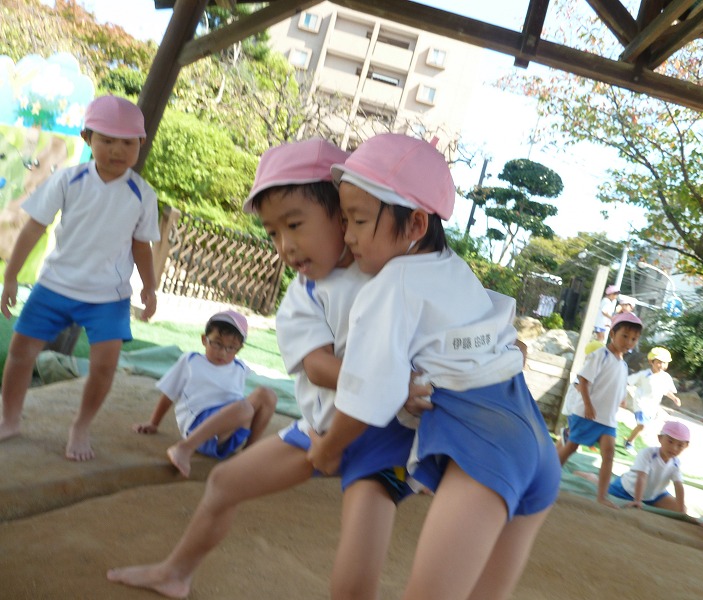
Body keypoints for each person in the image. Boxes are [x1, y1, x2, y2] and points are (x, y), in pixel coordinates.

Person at [107, 138, 421, 600]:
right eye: (273, 233)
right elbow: (317, 367)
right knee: (224, 482)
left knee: (358, 556)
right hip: (321, 428)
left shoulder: (396, 268)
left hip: (387, 438)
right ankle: (175, 573)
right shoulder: (303, 297)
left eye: (294, 225)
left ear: (346, 212)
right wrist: (392, 383)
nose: (285, 246)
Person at [307, 133, 561, 600]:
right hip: (536, 446)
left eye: (359, 220)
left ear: (416, 223)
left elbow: (367, 395)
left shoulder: (390, 286)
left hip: (486, 453)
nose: (348, 235)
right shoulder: (456, 270)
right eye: (345, 221)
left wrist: (327, 449)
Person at [0, 95, 159, 461]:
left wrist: (150, 288)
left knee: (105, 367)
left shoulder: (143, 194)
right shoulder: (68, 179)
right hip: (54, 286)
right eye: (107, 140)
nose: (117, 150)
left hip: (108, 297)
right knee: (21, 352)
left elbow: (142, 247)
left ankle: (81, 425)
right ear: (88, 138)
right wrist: (10, 277)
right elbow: (33, 228)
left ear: (140, 143)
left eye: (127, 142)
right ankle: (9, 418)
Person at [133, 310, 277, 477]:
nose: (222, 352)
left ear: (239, 349)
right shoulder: (191, 361)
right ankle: (184, 447)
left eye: (231, 348)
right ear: (204, 339)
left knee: (267, 395)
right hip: (198, 428)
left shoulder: (240, 368)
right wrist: (153, 423)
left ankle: (248, 452)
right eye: (217, 344)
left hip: (229, 432)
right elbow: (169, 393)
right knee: (244, 408)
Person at [558, 311, 643, 508]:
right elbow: (583, 380)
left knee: (609, 454)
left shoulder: (623, 365)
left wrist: (621, 399)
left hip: (607, 419)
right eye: (625, 336)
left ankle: (602, 496)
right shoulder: (600, 355)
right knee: (571, 447)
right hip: (586, 414)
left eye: (633, 339)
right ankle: (547, 478)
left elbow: (617, 387)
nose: (629, 342)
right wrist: (588, 405)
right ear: (612, 333)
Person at [608, 420, 689, 512]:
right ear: (660, 438)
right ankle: (593, 477)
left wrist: (681, 511)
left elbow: (678, 485)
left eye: (680, 445)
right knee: (601, 488)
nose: (674, 448)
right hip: (626, 490)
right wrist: (638, 500)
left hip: (654, 496)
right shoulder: (648, 453)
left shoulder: (676, 462)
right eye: (670, 441)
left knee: (682, 509)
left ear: (686, 446)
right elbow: (641, 477)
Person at [623, 346, 681, 452]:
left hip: (652, 407)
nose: (662, 365)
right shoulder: (644, 374)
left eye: (665, 363)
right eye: (659, 362)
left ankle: (629, 439)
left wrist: (674, 398)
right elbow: (628, 381)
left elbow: (666, 391)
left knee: (642, 427)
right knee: (642, 425)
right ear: (651, 362)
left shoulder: (666, 378)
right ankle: (629, 443)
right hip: (640, 403)